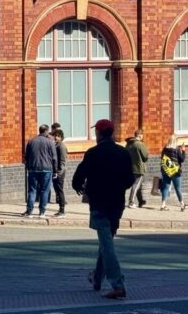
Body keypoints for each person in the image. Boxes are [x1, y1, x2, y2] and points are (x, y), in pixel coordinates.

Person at [72, 119, 135, 300]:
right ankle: (97, 278)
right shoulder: (122, 153)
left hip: (99, 203)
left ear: (99, 134)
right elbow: (130, 180)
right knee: (106, 240)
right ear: (112, 132)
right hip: (116, 204)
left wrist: (82, 187)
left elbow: (78, 177)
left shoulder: (93, 153)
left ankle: (118, 284)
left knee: (107, 244)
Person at [23, 124, 57, 218]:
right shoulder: (50, 142)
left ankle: (29, 211)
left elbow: (26, 157)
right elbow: (54, 158)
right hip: (46, 170)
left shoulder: (31, 141)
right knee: (44, 191)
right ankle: (42, 212)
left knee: (32, 190)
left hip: (33, 169)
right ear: (46, 131)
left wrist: (28, 167)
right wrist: (55, 171)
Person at [159, 137, 187, 211]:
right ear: (175, 141)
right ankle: (182, 205)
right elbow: (182, 159)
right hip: (175, 172)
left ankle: (163, 205)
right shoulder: (177, 149)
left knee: (165, 187)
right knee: (178, 188)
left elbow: (161, 158)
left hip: (166, 171)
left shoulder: (165, 148)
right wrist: (183, 151)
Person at [125, 128, 149, 208]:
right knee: (136, 184)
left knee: (138, 184)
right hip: (139, 168)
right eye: (142, 135)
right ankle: (131, 202)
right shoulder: (139, 144)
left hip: (130, 167)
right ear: (140, 135)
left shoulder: (128, 144)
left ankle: (141, 201)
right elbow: (145, 156)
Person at [52, 129, 68, 217]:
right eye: (55, 135)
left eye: (58, 136)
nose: (56, 137)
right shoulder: (56, 145)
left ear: (61, 137)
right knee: (58, 191)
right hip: (56, 171)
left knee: (60, 191)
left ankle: (62, 210)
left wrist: (59, 173)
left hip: (60, 172)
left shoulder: (61, 146)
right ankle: (60, 210)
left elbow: (62, 161)